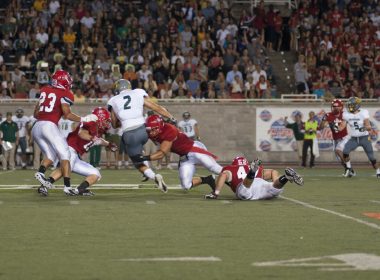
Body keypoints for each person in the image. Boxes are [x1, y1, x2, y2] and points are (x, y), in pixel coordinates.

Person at [32, 70, 98, 195]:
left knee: (51, 155)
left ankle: (40, 172)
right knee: (65, 155)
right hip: (49, 126)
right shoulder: (65, 93)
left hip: (37, 126)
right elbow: (67, 114)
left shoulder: (45, 90)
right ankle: (67, 187)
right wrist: (84, 118)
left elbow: (36, 113)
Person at [107, 79, 176, 192]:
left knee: (136, 161)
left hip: (129, 133)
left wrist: (123, 119)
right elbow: (155, 107)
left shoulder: (113, 100)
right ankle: (149, 164)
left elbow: (114, 124)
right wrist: (171, 117)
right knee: (140, 150)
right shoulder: (138, 92)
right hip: (144, 130)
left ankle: (153, 176)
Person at [37, 107, 117, 196]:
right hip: (70, 148)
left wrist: (109, 144)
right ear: (101, 118)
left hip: (76, 155)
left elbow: (100, 140)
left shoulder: (99, 128)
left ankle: (79, 189)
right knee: (67, 166)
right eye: (106, 120)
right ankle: (45, 186)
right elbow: (82, 133)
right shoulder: (91, 122)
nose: (107, 123)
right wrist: (92, 138)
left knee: (95, 174)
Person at [142, 114, 221, 191]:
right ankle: (208, 179)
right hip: (184, 157)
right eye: (150, 129)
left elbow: (162, 153)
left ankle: (231, 182)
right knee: (186, 186)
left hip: (194, 150)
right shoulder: (151, 133)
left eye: (154, 129)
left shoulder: (170, 130)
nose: (151, 132)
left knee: (215, 168)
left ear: (160, 126)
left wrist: (143, 158)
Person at [204, 156, 304, 200]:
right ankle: (285, 177)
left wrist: (215, 193)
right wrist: (274, 182)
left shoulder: (231, 168)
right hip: (260, 184)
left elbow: (223, 175)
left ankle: (252, 172)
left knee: (244, 191)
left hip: (245, 186)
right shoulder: (256, 168)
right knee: (274, 188)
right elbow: (273, 171)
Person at [341, 97, 380, 178]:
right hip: (354, 139)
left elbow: (368, 126)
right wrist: (337, 127)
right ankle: (349, 169)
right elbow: (342, 126)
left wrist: (366, 127)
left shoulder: (363, 112)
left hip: (364, 138)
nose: (349, 107)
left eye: (351, 105)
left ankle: (378, 171)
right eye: (349, 105)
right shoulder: (346, 114)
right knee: (345, 151)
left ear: (357, 105)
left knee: (371, 158)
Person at [318, 99, 350, 174]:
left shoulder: (344, 114)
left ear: (341, 107)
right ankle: (348, 169)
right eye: (334, 106)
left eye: (337, 106)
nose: (335, 108)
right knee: (339, 158)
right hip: (336, 139)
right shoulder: (328, 115)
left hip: (344, 137)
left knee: (338, 150)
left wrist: (333, 124)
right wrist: (323, 120)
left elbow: (341, 127)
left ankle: (349, 168)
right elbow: (321, 127)